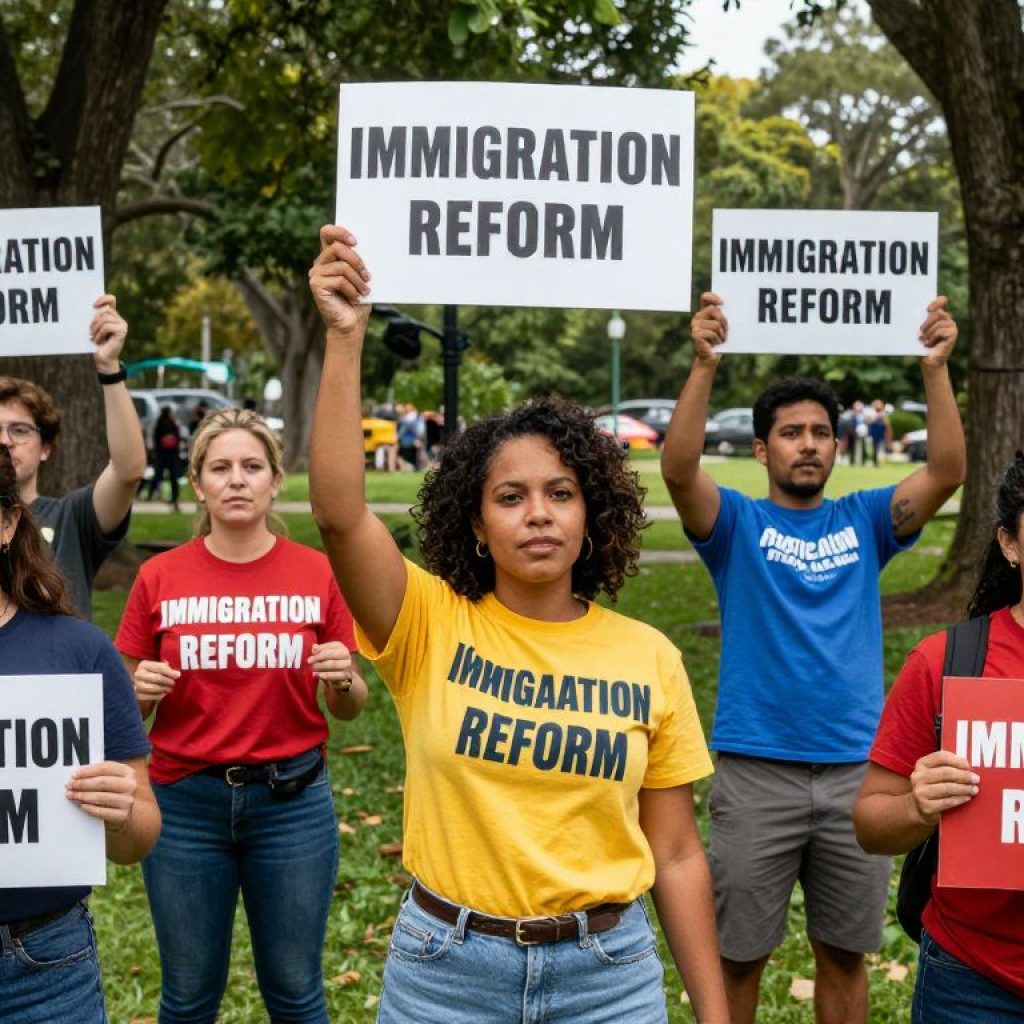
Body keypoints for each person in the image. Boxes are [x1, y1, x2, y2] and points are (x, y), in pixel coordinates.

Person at [307, 226, 730, 1024]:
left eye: (561, 493)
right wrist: (344, 338)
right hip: (445, 974)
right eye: (510, 497)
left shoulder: (650, 656)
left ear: (591, 513)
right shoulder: (427, 619)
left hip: (608, 976)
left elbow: (675, 854)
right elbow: (338, 515)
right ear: (476, 523)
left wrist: (715, 1016)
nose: (538, 514)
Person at [660, 291, 965, 1024]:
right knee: (737, 958)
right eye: (791, 432)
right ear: (763, 449)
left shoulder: (864, 519)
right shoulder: (737, 522)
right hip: (755, 770)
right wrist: (704, 365)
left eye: (821, 432)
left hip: (859, 776)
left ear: (836, 446)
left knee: (844, 956)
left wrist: (934, 370)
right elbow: (676, 472)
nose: (808, 444)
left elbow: (948, 471)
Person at [115, 407, 367, 1024]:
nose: (236, 479)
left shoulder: (314, 572)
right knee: (189, 995)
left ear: (275, 480)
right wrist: (141, 691)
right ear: (198, 482)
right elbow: (126, 711)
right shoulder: (158, 577)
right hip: (183, 806)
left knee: (296, 992)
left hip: (293, 805)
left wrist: (344, 680)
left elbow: (350, 705)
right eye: (220, 467)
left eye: (252, 466)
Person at [854, 453, 1024, 1023]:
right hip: (972, 978)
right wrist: (918, 806)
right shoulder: (945, 662)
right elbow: (871, 824)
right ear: (1010, 544)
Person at [0, 445, 159, 1024]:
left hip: (43, 963)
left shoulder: (79, 651)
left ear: (8, 521)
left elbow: (137, 838)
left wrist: (118, 811)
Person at [0, 295, 147, 618]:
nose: (5, 441)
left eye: (20, 430)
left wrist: (109, 368)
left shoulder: (72, 518)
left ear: (47, 447)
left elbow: (128, 470)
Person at [145, 405, 184, 512]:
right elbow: (178, 437)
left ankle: (150, 493)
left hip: (162, 454)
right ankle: (174, 497)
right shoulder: (173, 423)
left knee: (158, 475)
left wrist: (156, 451)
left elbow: (155, 438)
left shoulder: (159, 423)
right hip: (171, 454)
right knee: (173, 477)